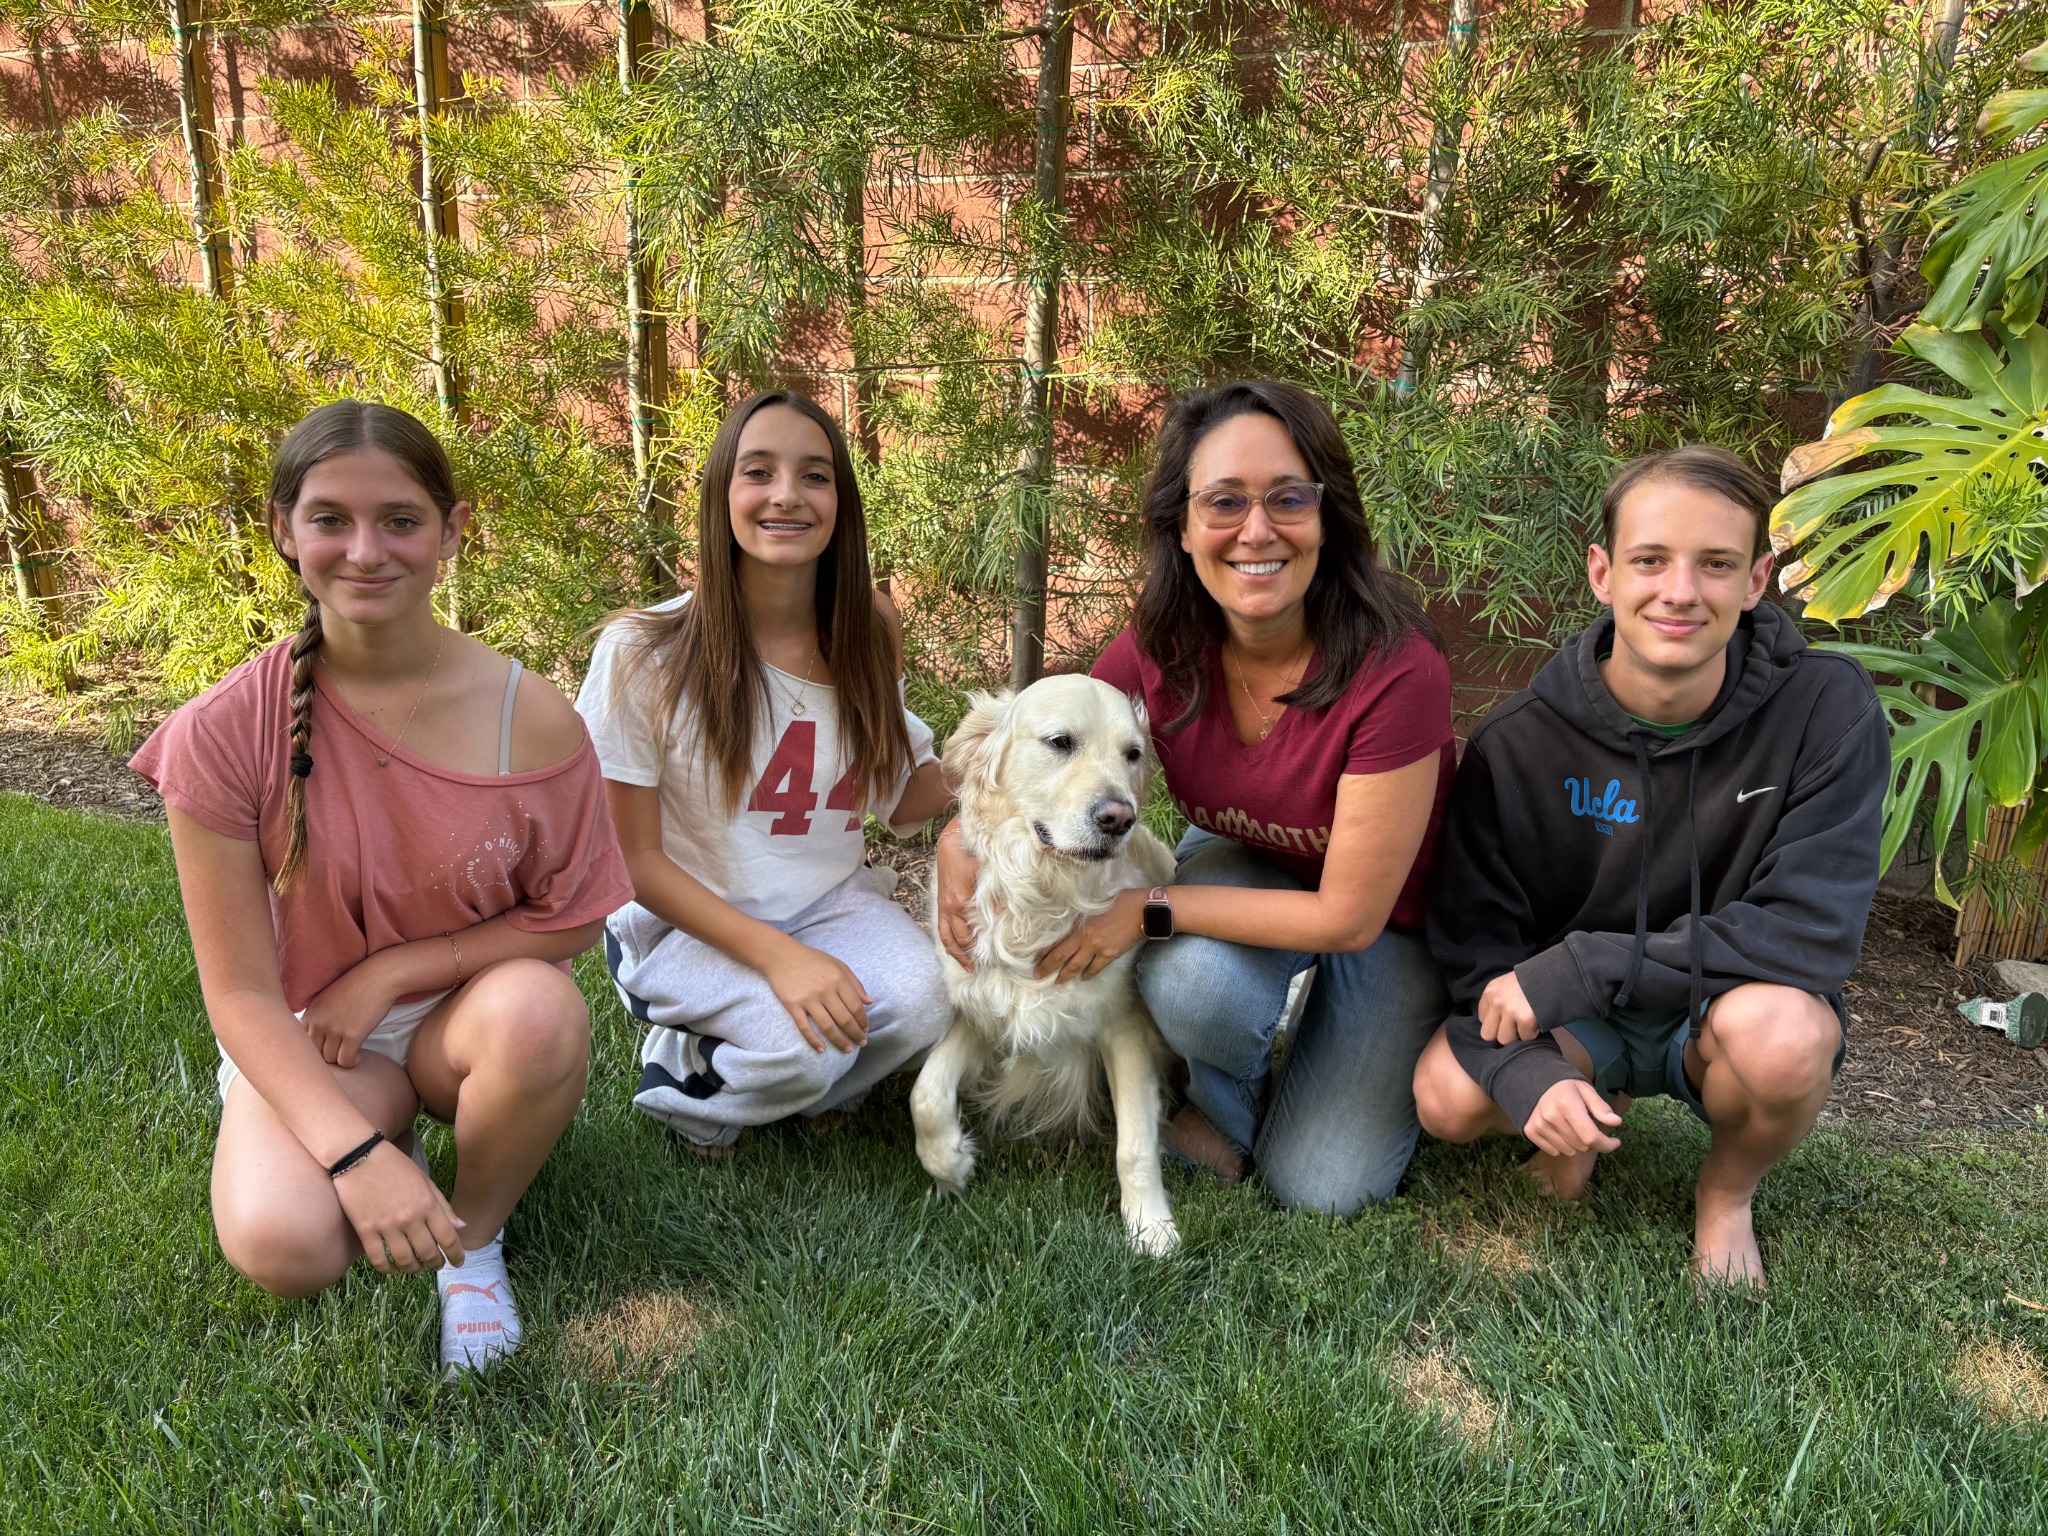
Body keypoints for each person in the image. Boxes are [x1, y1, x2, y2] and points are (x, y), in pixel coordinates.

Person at [131, 401, 634, 1372]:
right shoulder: (224, 732)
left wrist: (399, 968)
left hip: (465, 1020)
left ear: (451, 532)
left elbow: (570, 919)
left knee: (540, 1014)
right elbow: (237, 994)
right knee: (285, 1248)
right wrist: (354, 1161)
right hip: (316, 1036)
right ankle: (378, 1134)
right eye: (330, 519)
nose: (365, 551)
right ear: (284, 530)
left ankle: (474, 1242)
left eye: (400, 520)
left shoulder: (527, 719)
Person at [937, 379, 1455, 1216]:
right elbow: (1033, 747)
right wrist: (956, 845)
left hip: (1390, 917)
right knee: (1197, 989)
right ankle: (1222, 1101)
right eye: (1224, 502)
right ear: (1182, 524)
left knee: (1322, 1187)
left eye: (1288, 498)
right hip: (1255, 866)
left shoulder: (1397, 671)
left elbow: (1348, 917)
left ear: (1327, 515)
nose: (1257, 530)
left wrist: (1149, 907)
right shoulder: (1165, 640)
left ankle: (1373, 1044)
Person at [1413, 445, 1889, 1285]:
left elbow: (1811, 933)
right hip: (1580, 1024)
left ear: (1756, 580)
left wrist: (1587, 965)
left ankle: (1727, 1192)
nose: (1679, 592)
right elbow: (1475, 953)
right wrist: (1533, 1074)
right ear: (1602, 573)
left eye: (1715, 565)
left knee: (1786, 1039)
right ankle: (1584, 1125)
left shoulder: (1827, 709)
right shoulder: (1516, 745)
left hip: (1722, 1009)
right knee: (1449, 1096)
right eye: (1650, 560)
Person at [576, 390, 953, 1154]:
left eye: (815, 476)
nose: (787, 494)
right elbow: (632, 862)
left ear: (841, 503)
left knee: (929, 1000)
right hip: (683, 918)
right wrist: (782, 959)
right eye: (759, 472)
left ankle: (800, 1082)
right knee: (808, 1044)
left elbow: (897, 793)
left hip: (823, 903)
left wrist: (1014, 754)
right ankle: (689, 1084)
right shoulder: (643, 652)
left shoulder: (869, 631)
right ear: (722, 494)